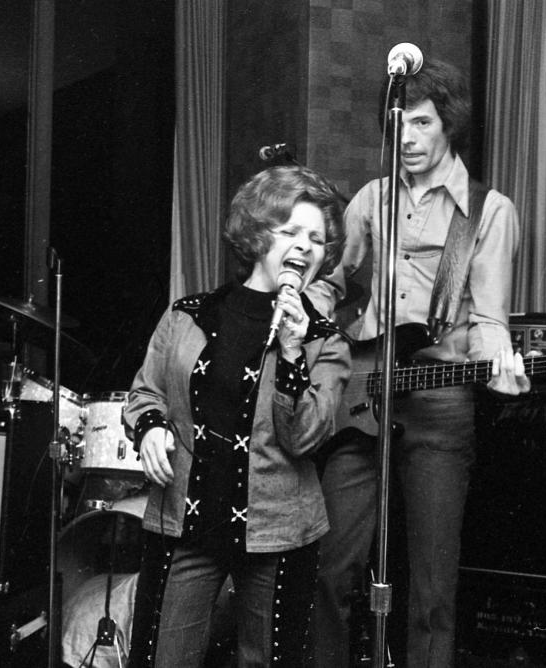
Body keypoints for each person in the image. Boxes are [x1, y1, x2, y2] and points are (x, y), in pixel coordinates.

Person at [307, 58, 531, 667]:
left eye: (423, 123)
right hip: (360, 395)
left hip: (437, 400)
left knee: (432, 587)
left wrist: (501, 365)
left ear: (448, 125)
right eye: (398, 122)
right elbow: (332, 284)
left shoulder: (488, 211)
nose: (406, 137)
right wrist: (308, 325)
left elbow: (488, 321)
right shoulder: (370, 199)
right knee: (331, 569)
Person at [122, 165, 352, 667]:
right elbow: (145, 393)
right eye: (290, 231)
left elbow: (306, 438)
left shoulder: (325, 341)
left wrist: (293, 354)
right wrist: (151, 427)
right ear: (257, 235)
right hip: (183, 520)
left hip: (279, 531)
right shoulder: (186, 315)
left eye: (316, 238)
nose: (305, 246)